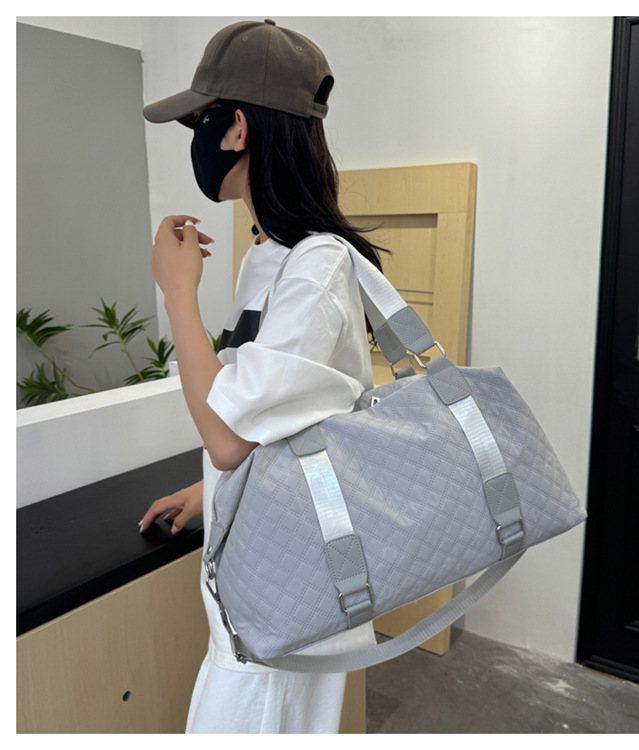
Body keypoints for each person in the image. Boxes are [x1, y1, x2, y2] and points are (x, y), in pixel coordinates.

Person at [137, 19, 386, 733]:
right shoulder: (267, 258)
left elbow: (225, 437)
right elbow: (266, 419)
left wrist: (177, 294)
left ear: (237, 129)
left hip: (287, 601)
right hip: (265, 579)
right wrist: (211, 494)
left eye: (200, 120)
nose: (196, 137)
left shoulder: (316, 267)